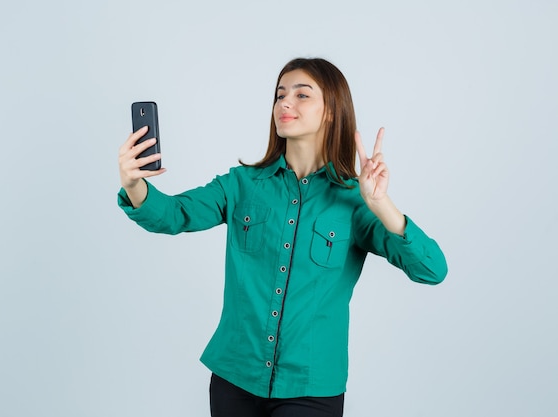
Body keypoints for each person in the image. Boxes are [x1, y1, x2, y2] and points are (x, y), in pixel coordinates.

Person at [117, 57, 448, 417]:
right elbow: (173, 215)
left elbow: (432, 269)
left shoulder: (355, 203)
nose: (285, 103)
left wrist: (382, 204)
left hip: (311, 386)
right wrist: (134, 184)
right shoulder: (241, 184)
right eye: (280, 95)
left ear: (331, 112)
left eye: (302, 95)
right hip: (235, 377)